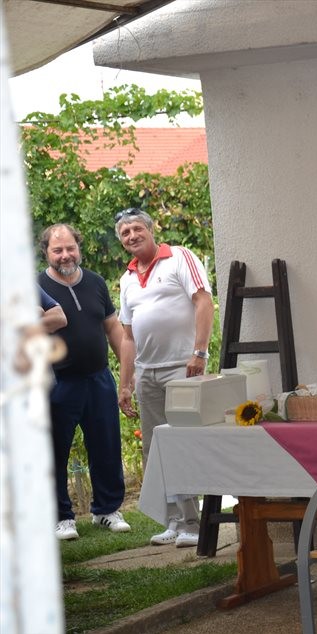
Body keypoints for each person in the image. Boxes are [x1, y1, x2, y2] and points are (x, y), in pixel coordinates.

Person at [115, 208, 213, 548]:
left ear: (151, 229)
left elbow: (204, 301)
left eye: (137, 228)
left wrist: (200, 352)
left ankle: (193, 523)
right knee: (156, 448)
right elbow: (127, 337)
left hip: (182, 367)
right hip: (147, 373)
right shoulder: (127, 279)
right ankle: (172, 521)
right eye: (125, 232)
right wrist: (125, 384)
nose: (132, 236)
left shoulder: (179, 258)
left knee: (183, 443)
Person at [39, 224, 130, 541]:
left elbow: (113, 328)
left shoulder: (95, 282)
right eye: (57, 250)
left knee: (107, 446)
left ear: (79, 248)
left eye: (70, 248)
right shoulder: (36, 285)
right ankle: (62, 518)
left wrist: (126, 375)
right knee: (54, 451)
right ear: (46, 253)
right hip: (58, 382)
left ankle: (107, 510)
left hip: (99, 378)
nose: (65, 255)